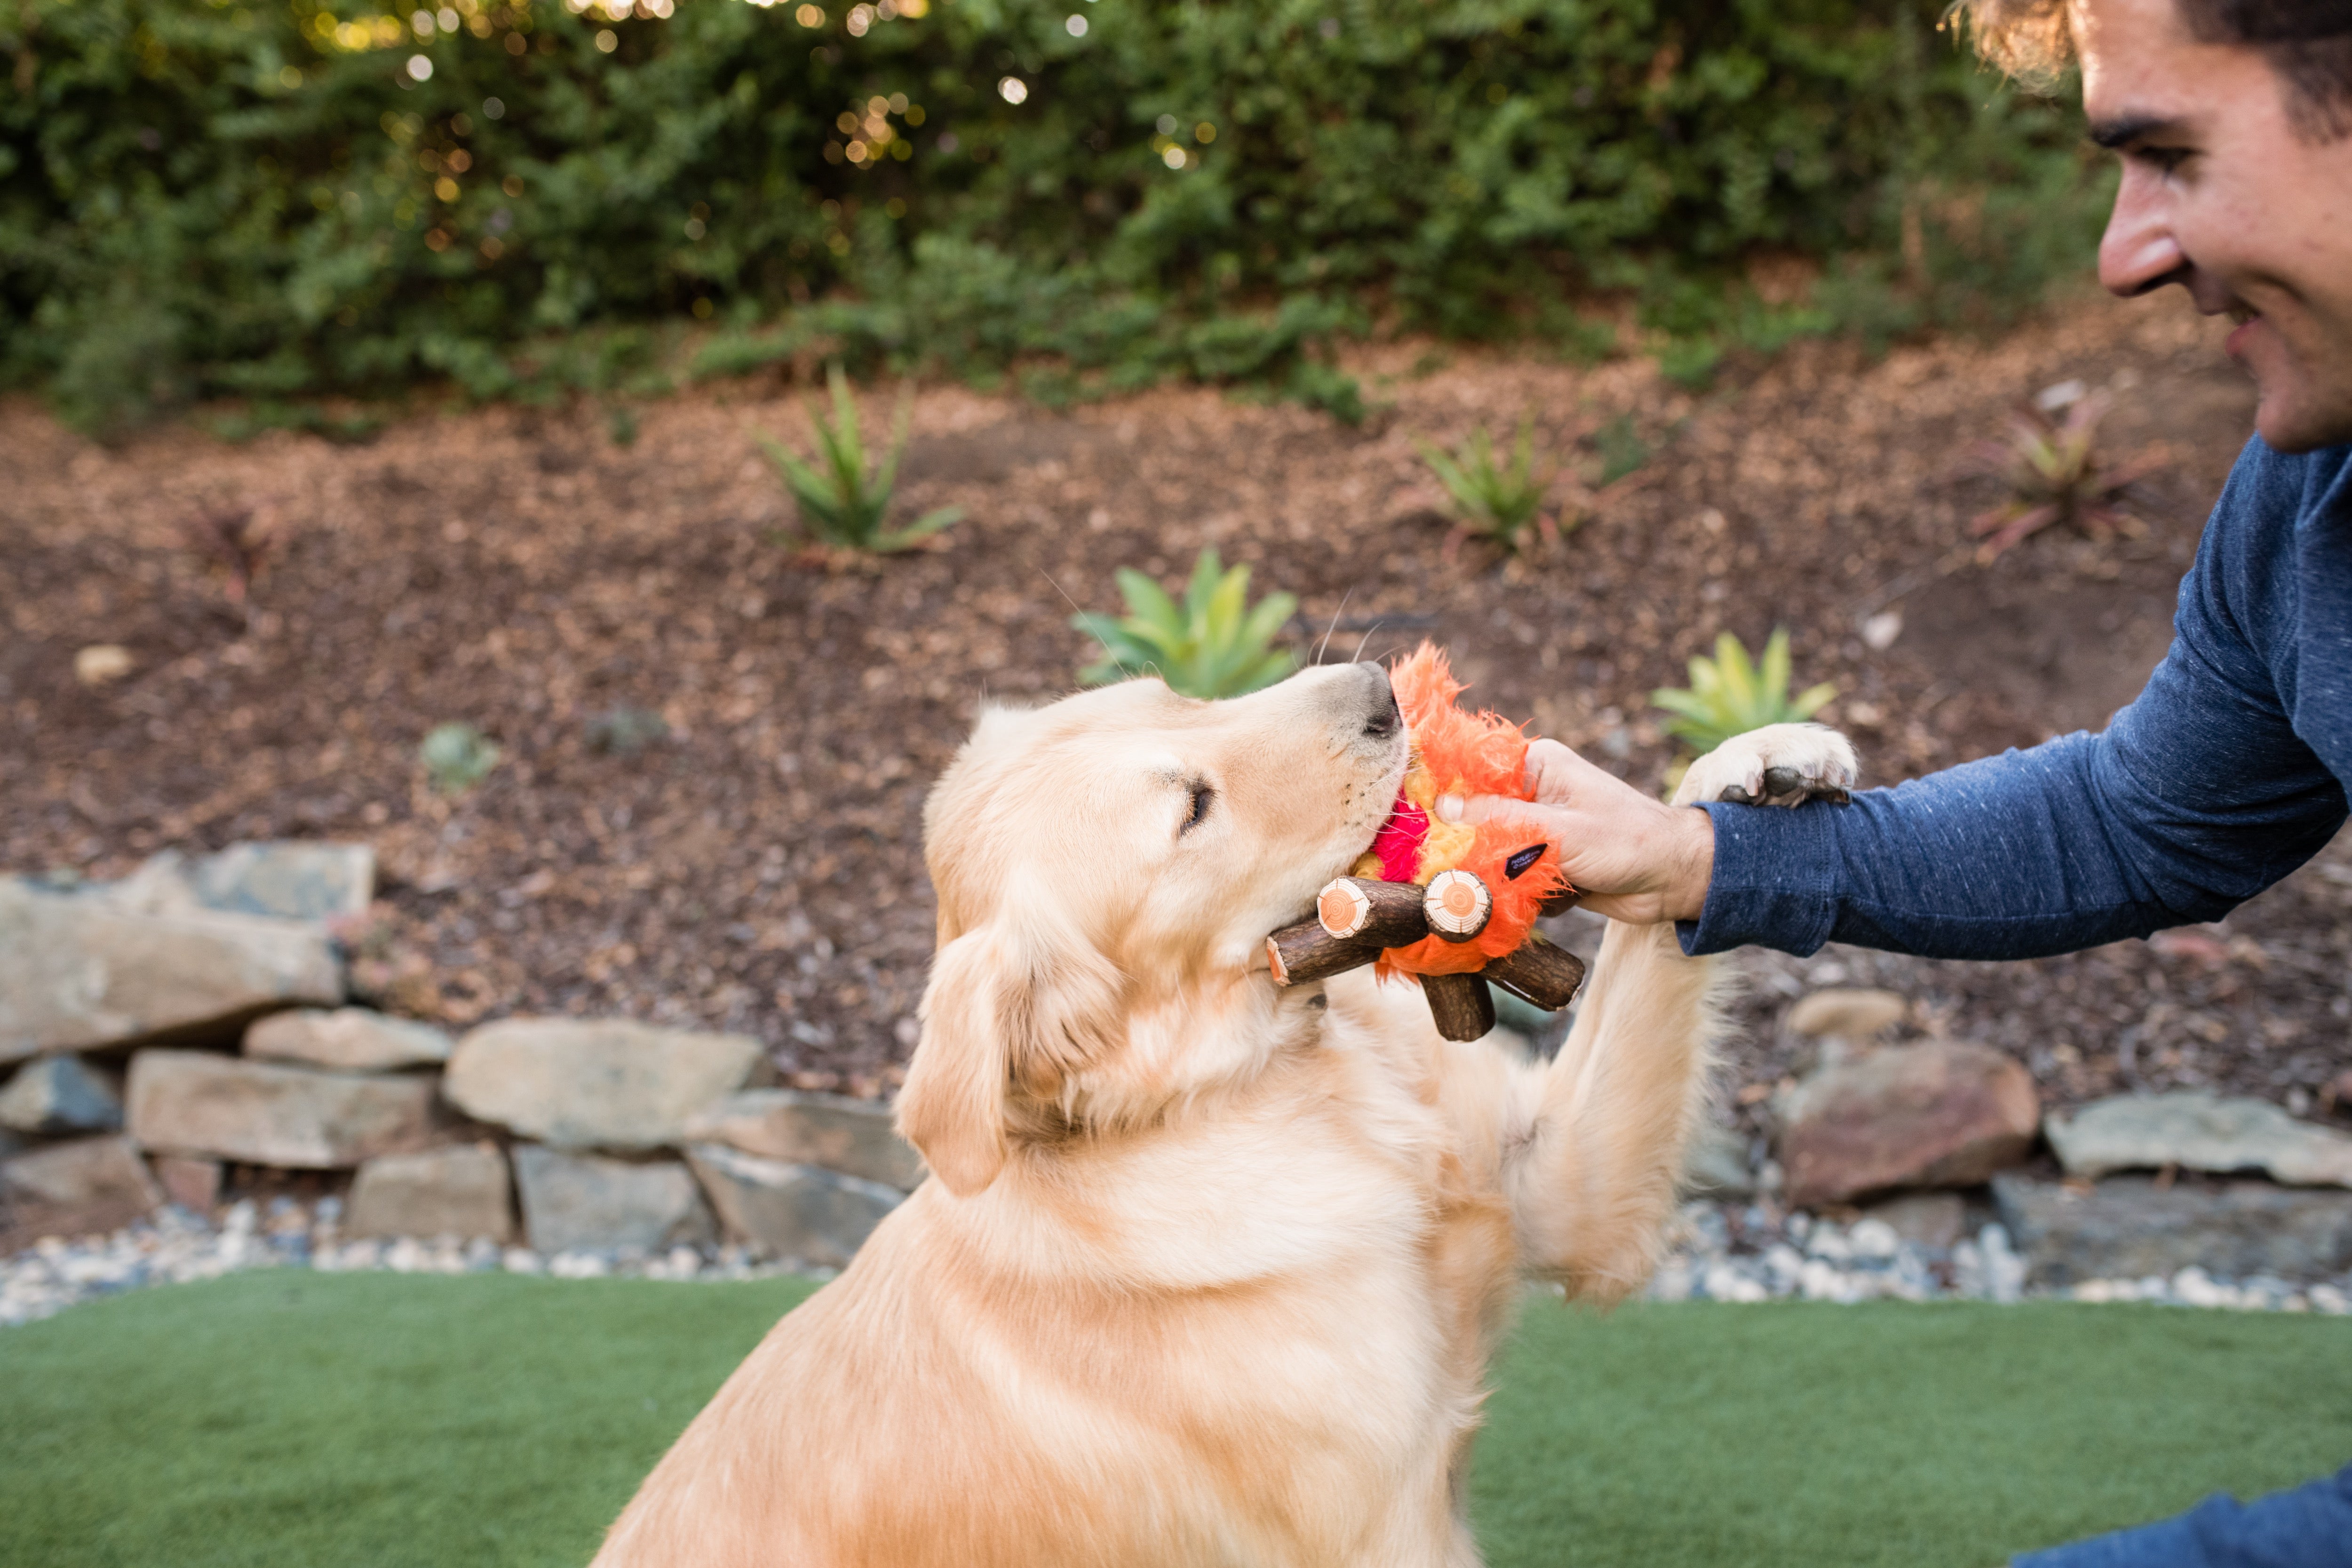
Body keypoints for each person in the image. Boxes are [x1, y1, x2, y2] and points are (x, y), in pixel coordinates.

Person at [1441, 0, 2352, 1561]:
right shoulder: (2310, 501)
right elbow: (2137, 817)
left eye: (2171, 155)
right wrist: (1700, 858)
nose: (2125, 253)